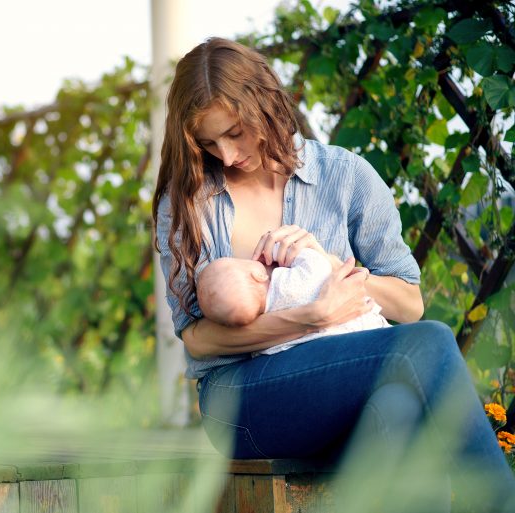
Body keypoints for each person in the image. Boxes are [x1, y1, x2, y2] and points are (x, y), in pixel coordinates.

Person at [152, 37, 514, 512]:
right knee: (426, 344)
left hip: (340, 390)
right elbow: (197, 340)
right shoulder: (187, 202)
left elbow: (409, 302)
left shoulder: (345, 176)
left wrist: (328, 266)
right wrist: (310, 316)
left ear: (264, 104)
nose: (226, 154)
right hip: (241, 401)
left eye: (235, 132)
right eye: (207, 141)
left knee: (400, 414)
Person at [196, 247, 389, 356]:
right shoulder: (284, 283)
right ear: (257, 275)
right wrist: (288, 252)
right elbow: (317, 266)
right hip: (363, 326)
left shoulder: (267, 323)